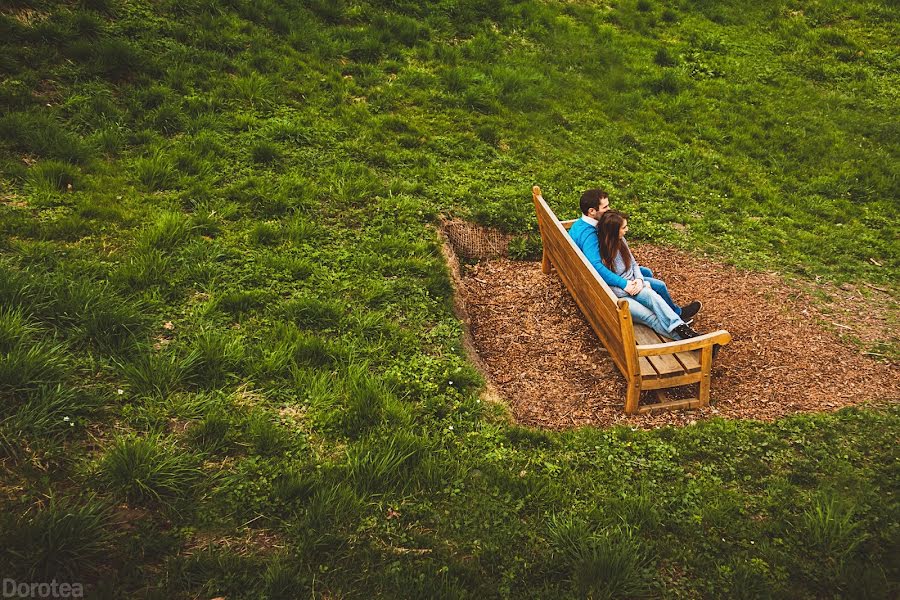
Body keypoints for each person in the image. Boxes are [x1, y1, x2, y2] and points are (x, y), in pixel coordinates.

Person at [579, 188, 701, 322]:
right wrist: (625, 284)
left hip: (599, 272)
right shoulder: (590, 234)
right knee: (657, 286)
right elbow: (597, 266)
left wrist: (638, 279)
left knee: (646, 272)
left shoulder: (582, 224)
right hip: (602, 282)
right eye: (605, 206)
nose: (609, 209)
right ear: (592, 211)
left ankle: (668, 308)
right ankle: (675, 313)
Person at [594, 210, 700, 340]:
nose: (627, 229)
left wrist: (639, 280)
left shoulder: (621, 241)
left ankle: (681, 328)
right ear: (613, 231)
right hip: (620, 297)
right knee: (652, 318)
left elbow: (633, 264)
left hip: (634, 286)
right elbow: (607, 284)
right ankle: (691, 340)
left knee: (652, 295)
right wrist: (630, 288)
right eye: (624, 227)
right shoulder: (601, 252)